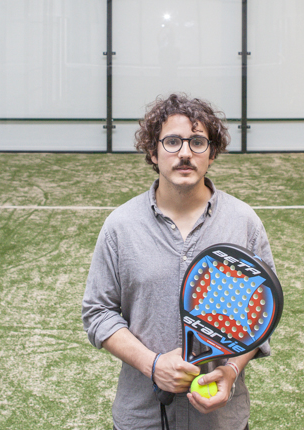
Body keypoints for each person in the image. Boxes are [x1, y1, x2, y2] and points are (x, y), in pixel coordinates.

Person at [82, 94, 276, 430]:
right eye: (172, 142)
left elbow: (261, 315)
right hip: (142, 417)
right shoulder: (120, 226)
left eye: (197, 142)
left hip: (220, 421)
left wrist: (231, 371)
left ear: (211, 154)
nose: (185, 153)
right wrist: (152, 365)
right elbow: (98, 312)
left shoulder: (244, 222)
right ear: (153, 152)